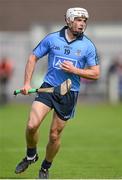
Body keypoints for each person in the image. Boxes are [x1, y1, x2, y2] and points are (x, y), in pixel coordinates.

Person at [15, 7, 100, 179]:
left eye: (84, 21)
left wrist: (75, 70)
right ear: (68, 20)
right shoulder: (52, 39)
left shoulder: (88, 46)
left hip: (68, 93)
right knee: (32, 125)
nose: (82, 24)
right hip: (48, 87)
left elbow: (96, 73)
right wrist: (26, 83)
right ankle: (31, 155)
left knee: (54, 136)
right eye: (78, 20)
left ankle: (45, 167)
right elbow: (33, 57)